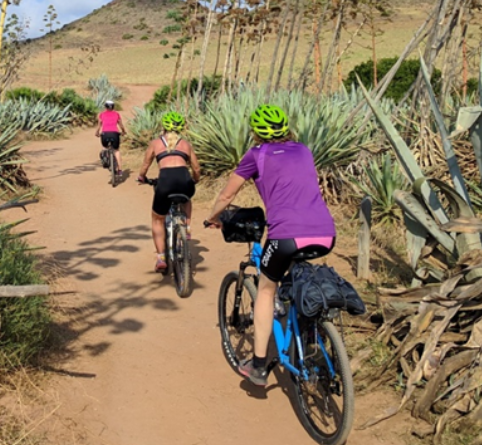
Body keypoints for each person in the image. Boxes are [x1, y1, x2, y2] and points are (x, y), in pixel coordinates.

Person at [204, 104, 336, 387]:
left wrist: (213, 218)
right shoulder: (304, 150)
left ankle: (259, 365)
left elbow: (228, 194)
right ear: (286, 128)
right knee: (293, 274)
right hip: (326, 233)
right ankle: (307, 327)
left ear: (255, 131)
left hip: (286, 235)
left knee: (265, 290)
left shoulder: (256, 155)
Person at [137, 111, 201, 272]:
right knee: (186, 198)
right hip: (184, 180)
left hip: (165, 181)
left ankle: (161, 257)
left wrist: (142, 177)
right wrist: (195, 180)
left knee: (157, 219)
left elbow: (145, 165)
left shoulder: (156, 143)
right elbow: (196, 168)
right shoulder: (186, 144)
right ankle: (186, 227)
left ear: (163, 127)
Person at [95, 100, 126, 178]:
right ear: (113, 106)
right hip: (115, 134)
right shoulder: (117, 114)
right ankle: (119, 170)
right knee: (116, 150)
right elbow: (121, 125)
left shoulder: (102, 114)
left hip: (105, 134)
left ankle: (106, 157)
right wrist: (123, 131)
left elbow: (99, 125)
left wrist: (97, 132)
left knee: (104, 147)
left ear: (105, 106)